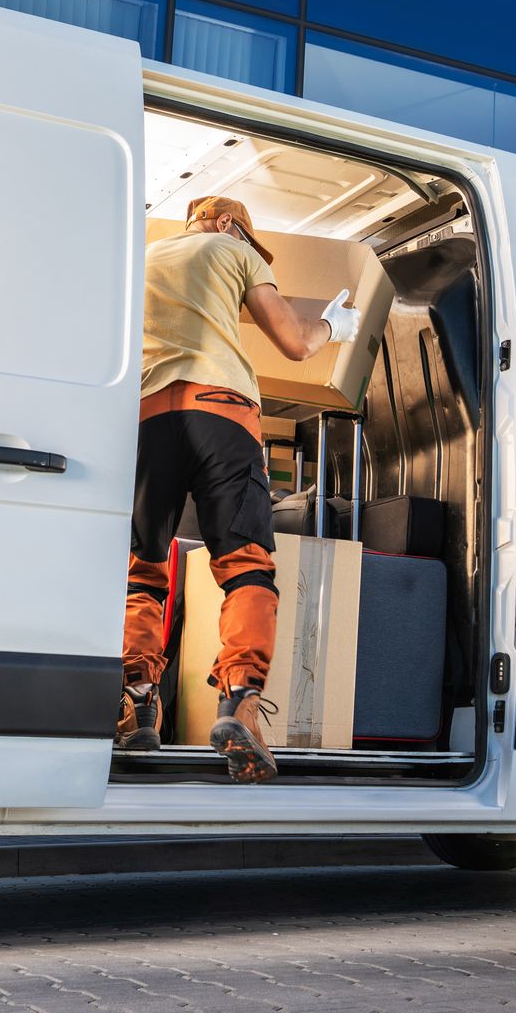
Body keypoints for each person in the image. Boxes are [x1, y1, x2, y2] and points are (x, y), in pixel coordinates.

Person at [119, 195, 361, 783]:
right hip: (221, 412)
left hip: (149, 417)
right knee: (246, 566)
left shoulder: (142, 257)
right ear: (230, 224)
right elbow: (297, 343)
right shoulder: (233, 250)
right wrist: (335, 325)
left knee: (142, 566)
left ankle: (137, 705)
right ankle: (240, 703)